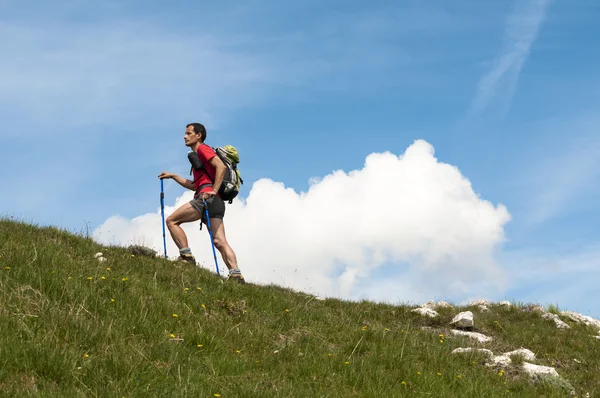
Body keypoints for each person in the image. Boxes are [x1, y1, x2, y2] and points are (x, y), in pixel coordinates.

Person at [158, 122, 245, 283]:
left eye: (188, 133)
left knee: (172, 220)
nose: (185, 136)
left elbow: (220, 167)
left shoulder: (203, 149)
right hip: (216, 201)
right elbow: (194, 185)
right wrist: (173, 176)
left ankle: (186, 256)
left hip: (207, 197)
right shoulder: (199, 160)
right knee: (220, 241)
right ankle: (236, 274)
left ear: (198, 135)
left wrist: (212, 190)